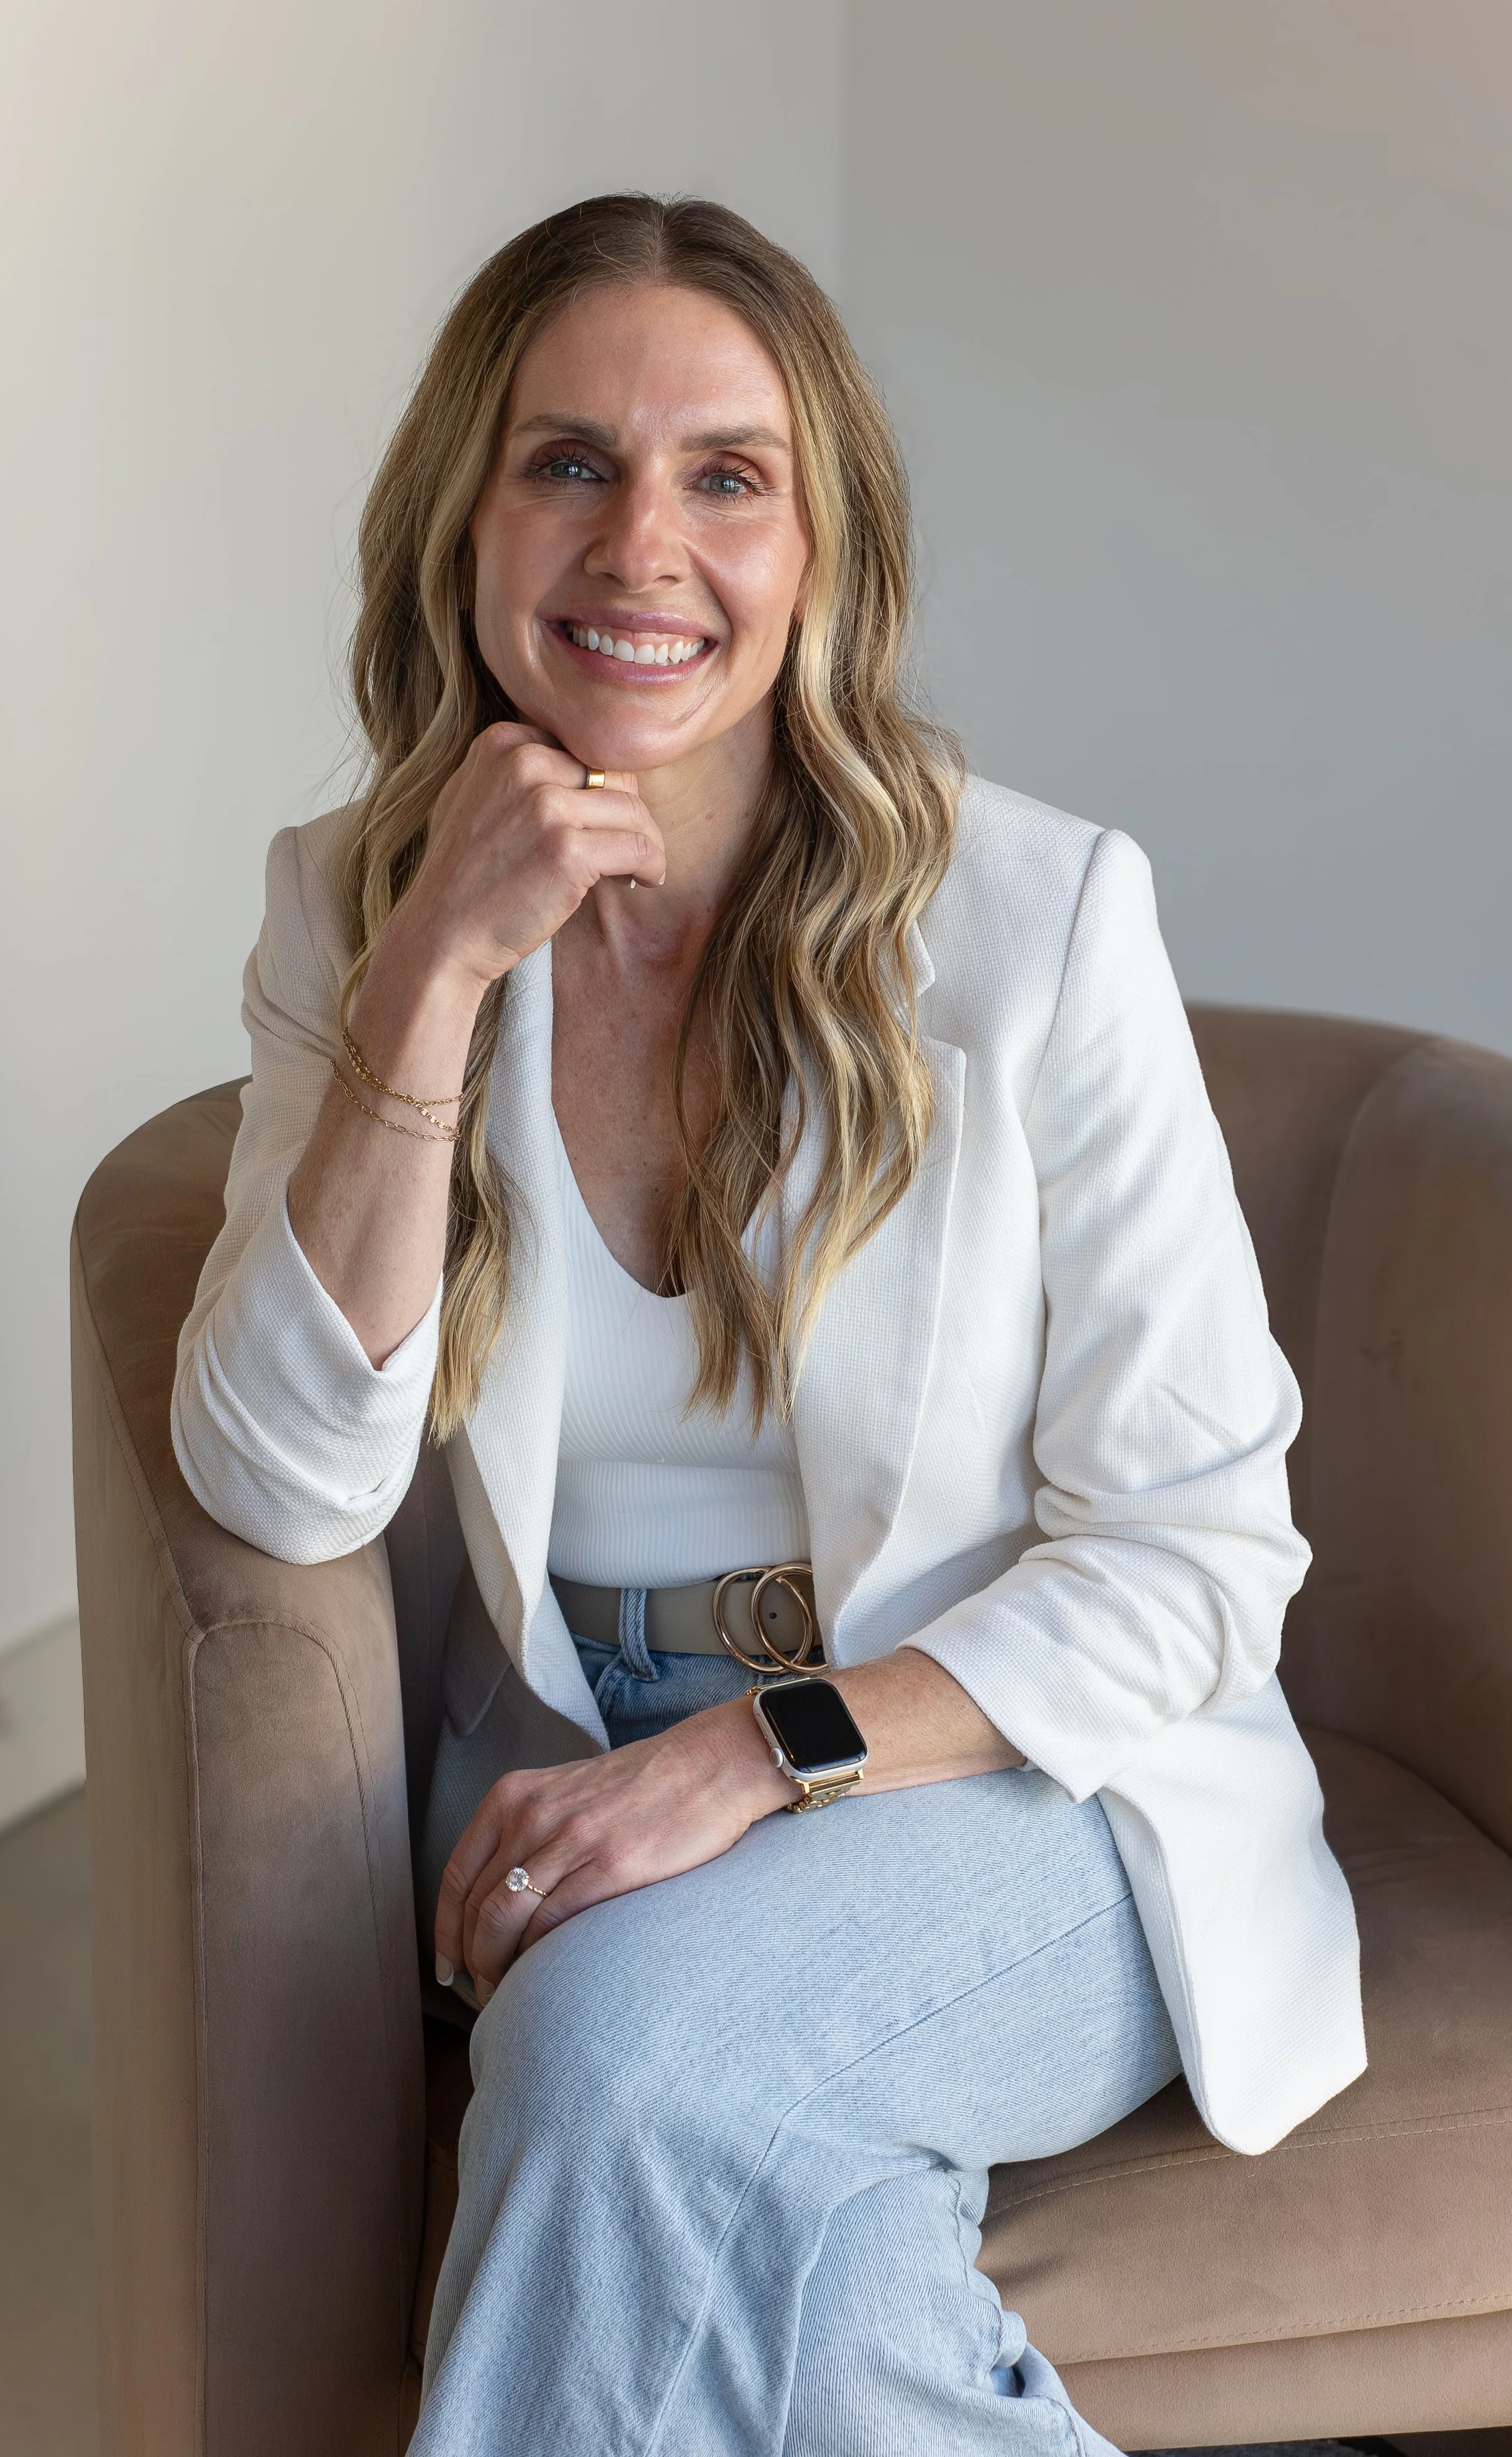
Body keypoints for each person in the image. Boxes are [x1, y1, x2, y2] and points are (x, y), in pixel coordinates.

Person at [173, 193, 1364, 2457]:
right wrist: (429, 979)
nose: (645, 548)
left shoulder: (1030, 921)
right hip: (576, 1762)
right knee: (793, 2286)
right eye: (568, 463)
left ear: (829, 547)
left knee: (617, 2063)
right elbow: (278, 1474)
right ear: (462, 518)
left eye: (728, 475)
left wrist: (754, 1753)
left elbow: (1202, 1552)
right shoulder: (354, 905)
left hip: (1008, 1778)